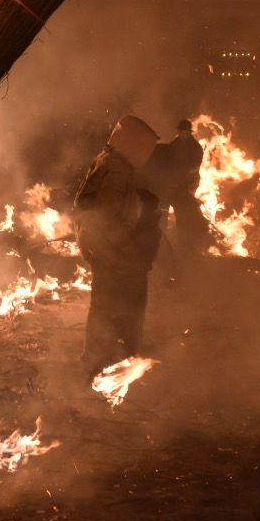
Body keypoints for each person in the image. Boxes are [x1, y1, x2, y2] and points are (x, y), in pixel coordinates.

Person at [73, 115, 163, 377]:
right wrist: (129, 252)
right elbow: (107, 216)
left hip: (104, 246)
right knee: (117, 302)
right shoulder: (116, 169)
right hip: (109, 248)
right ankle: (107, 361)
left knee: (107, 302)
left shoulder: (110, 161)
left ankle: (104, 358)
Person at [146, 118, 206, 257]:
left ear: (189, 132)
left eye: (185, 131)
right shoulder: (175, 143)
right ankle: (162, 238)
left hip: (187, 185)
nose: (182, 134)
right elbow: (167, 157)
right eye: (180, 131)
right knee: (163, 208)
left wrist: (181, 171)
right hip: (171, 184)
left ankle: (183, 243)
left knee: (183, 212)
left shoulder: (195, 148)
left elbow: (194, 167)